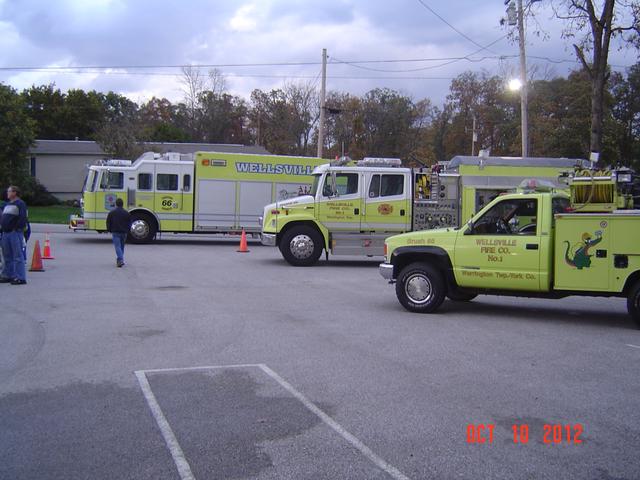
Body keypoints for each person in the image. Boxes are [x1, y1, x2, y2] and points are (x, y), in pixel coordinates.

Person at [0, 186, 28, 285]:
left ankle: (20, 277)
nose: (7, 193)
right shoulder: (7, 204)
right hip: (5, 233)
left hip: (14, 232)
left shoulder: (20, 204)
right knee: (7, 255)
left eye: (9, 191)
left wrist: (16, 228)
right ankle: (8, 275)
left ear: (14, 193)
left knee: (17, 255)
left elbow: (22, 217)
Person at [106, 198, 131, 267]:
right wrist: (128, 230)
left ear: (116, 204)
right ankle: (119, 260)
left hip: (115, 232)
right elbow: (129, 223)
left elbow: (108, 222)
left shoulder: (112, 213)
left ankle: (120, 260)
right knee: (122, 247)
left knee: (117, 247)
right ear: (122, 204)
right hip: (124, 232)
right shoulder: (126, 213)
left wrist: (109, 229)